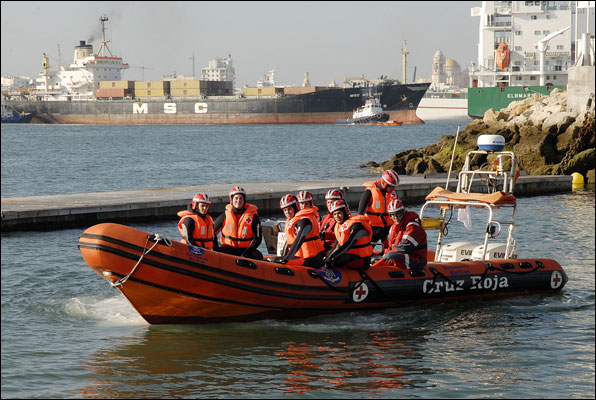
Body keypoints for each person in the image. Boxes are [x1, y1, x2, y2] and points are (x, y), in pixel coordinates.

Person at [372, 199, 427, 272]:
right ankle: (373, 270)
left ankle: (372, 272)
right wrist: (385, 252)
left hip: (417, 260)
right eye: (392, 215)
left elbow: (405, 247)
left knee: (392, 256)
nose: (395, 218)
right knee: (375, 258)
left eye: (398, 214)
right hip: (403, 256)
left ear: (403, 212)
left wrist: (389, 252)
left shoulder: (413, 227)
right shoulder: (393, 228)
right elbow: (388, 245)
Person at [214, 186, 264, 260]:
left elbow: (258, 238)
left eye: (241, 198)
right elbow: (211, 232)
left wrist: (246, 253)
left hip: (245, 250)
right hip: (228, 249)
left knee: (258, 256)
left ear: (244, 200)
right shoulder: (225, 216)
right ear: (231, 200)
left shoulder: (253, 217)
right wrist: (215, 248)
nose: (238, 200)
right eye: (236, 198)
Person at [277, 193, 325, 267]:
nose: (287, 212)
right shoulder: (292, 220)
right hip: (300, 256)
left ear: (296, 207)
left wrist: (286, 259)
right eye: (285, 210)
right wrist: (284, 256)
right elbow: (289, 242)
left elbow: (298, 241)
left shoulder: (305, 221)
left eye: (289, 209)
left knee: (276, 262)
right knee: (272, 260)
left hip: (313, 258)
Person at [324, 200, 373, 270]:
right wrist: (327, 258)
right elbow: (336, 247)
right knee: (329, 258)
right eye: (334, 214)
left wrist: (333, 257)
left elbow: (348, 245)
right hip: (350, 255)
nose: (337, 216)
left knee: (336, 260)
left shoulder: (357, 226)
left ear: (345, 213)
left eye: (339, 213)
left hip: (362, 260)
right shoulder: (338, 227)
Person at [357, 169, 400, 244]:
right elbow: (360, 214)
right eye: (392, 186)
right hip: (373, 228)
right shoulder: (369, 192)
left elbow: (399, 209)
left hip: (389, 228)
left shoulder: (393, 194)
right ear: (385, 184)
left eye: (394, 187)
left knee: (390, 249)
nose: (393, 189)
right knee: (367, 250)